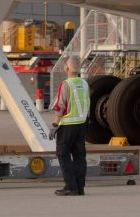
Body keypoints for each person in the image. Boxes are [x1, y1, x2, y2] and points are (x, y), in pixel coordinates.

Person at [49, 58, 90, 196]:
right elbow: (87, 102)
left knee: (63, 154)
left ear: (67, 68)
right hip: (81, 125)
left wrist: (55, 125)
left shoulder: (66, 84)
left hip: (67, 126)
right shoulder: (84, 83)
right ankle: (80, 187)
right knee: (79, 156)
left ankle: (70, 187)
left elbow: (60, 106)